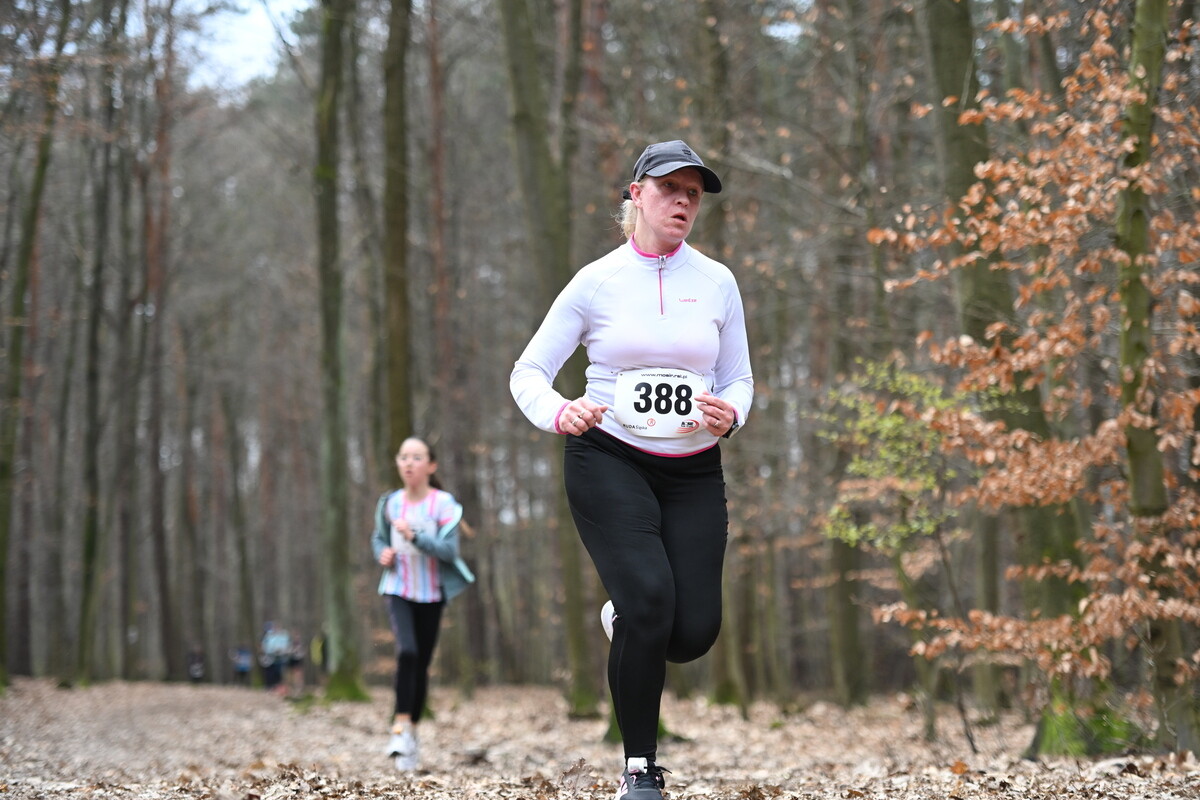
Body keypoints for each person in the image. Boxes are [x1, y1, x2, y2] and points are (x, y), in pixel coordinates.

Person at [510, 139, 752, 800]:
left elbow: (739, 379)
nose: (681, 202)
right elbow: (528, 372)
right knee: (651, 600)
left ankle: (631, 618)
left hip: (693, 470)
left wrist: (731, 413)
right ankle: (640, 771)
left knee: (693, 632)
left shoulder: (718, 283)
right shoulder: (597, 282)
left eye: (692, 194)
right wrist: (560, 413)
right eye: (669, 188)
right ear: (635, 194)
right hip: (609, 459)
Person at [371, 436, 476, 772]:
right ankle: (400, 729)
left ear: (431, 466)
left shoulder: (443, 504)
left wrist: (417, 537)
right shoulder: (390, 503)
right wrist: (382, 553)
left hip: (432, 593)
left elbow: (449, 552)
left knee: (421, 666)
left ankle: (411, 736)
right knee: (407, 652)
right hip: (399, 588)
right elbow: (378, 538)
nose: (408, 463)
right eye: (403, 457)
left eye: (416, 457)